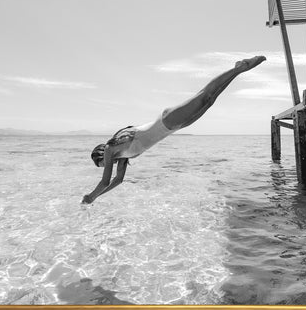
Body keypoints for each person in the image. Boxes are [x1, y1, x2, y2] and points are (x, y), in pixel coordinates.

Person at [81, 55, 266, 204]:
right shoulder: (122, 157)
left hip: (166, 120)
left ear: (100, 154)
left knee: (203, 97)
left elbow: (105, 181)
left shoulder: (109, 149)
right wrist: (98, 197)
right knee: (209, 102)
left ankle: (240, 68)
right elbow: (117, 181)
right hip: (174, 128)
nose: (107, 166)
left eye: (103, 164)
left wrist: (91, 197)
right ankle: (237, 71)